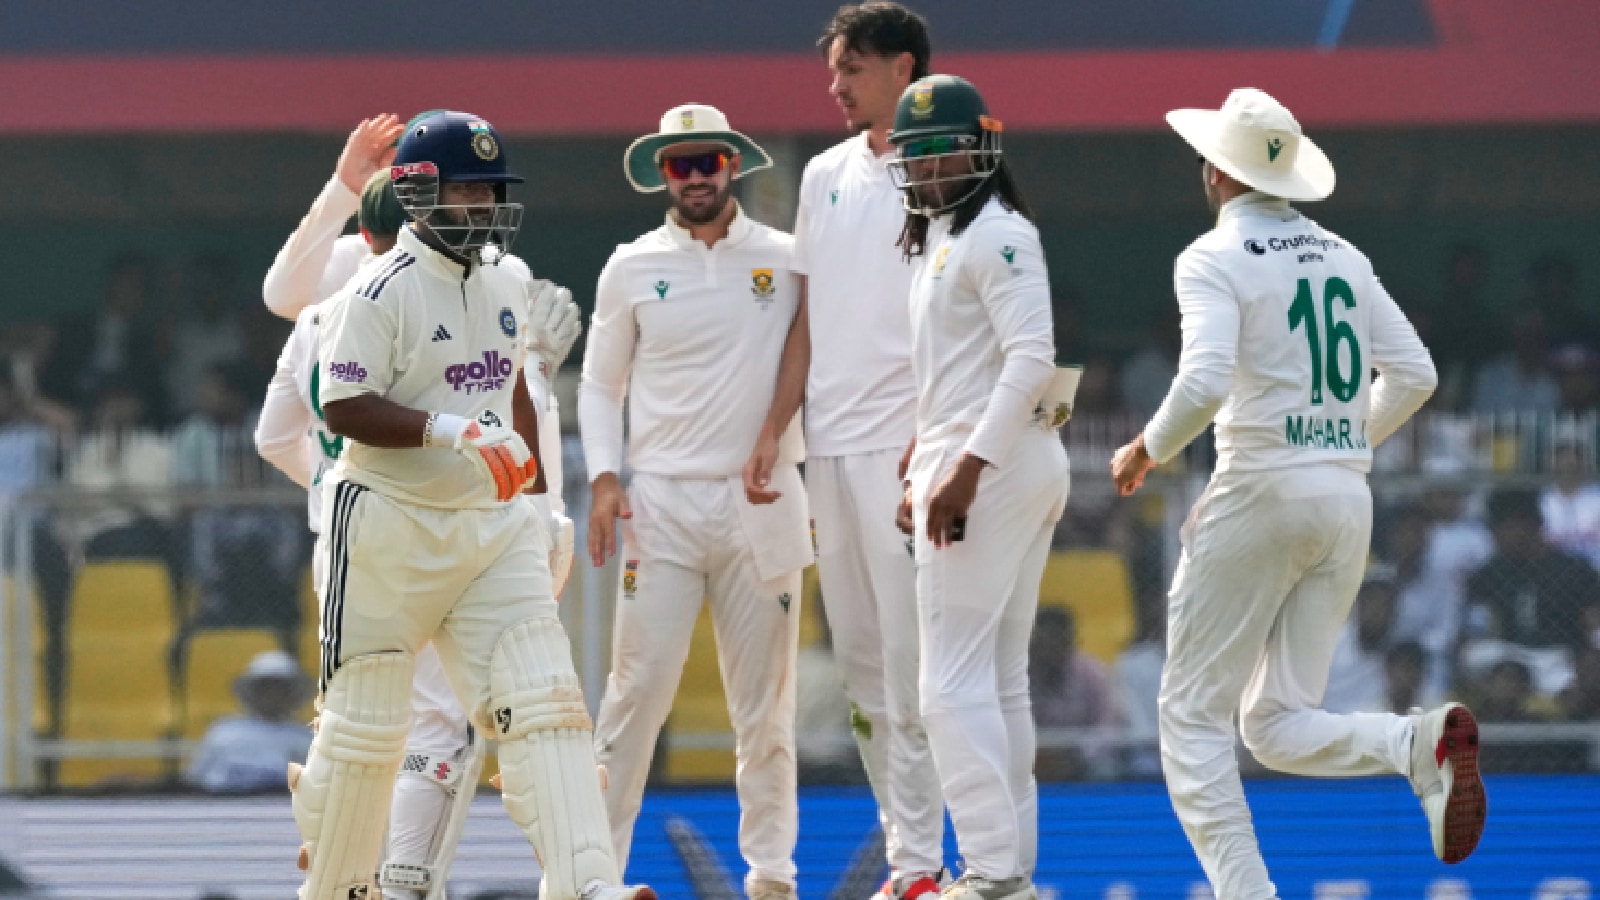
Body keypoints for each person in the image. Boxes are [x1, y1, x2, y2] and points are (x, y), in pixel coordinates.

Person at [1109, 88, 1478, 898]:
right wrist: (1337, 443)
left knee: (1192, 720)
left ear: (1215, 172)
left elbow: (1203, 382)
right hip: (1344, 499)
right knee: (1275, 725)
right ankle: (1412, 744)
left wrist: (1146, 449)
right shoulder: (1344, 254)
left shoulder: (1211, 256)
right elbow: (1416, 374)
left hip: (1259, 491)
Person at [299, 110, 646, 900]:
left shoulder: (505, 279)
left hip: (490, 527)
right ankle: (342, 885)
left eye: (492, 190)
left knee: (546, 703)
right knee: (367, 729)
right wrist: (449, 431)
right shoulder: (376, 292)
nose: (485, 204)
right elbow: (343, 406)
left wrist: (536, 499)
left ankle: (589, 884)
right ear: (419, 193)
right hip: (387, 523)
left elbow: (510, 385)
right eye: (468, 189)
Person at [581, 102, 810, 900]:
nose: (696, 178)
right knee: (634, 696)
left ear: (732, 164)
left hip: (764, 499)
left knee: (767, 706)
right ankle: (593, 875)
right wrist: (604, 479)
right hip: (662, 504)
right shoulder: (630, 266)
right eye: (680, 166)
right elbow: (600, 384)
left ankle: (771, 878)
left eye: (707, 161)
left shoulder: (786, 257)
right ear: (662, 176)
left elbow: (816, 355)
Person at [743, 6, 948, 897]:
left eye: (852, 69)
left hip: (906, 452)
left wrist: (937, 428)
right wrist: (773, 429)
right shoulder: (824, 173)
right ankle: (910, 862)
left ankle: (932, 861)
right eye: (834, 70)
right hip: (828, 448)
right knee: (863, 669)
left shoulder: (944, 169)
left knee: (911, 666)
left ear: (903, 68)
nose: (835, 86)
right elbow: (807, 319)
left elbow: (964, 314)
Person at [887, 74, 1070, 900]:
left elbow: (1032, 359)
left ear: (982, 148)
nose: (928, 165)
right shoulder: (945, 237)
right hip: (993, 462)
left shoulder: (998, 234)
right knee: (997, 681)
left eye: (943, 148)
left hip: (992, 473)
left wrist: (963, 469)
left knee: (946, 687)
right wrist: (923, 455)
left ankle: (992, 874)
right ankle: (1011, 870)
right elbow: (962, 373)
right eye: (915, 151)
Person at [186, 651, 315, 793]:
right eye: (265, 687)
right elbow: (196, 781)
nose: (272, 694)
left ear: (292, 694)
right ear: (252, 691)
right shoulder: (222, 733)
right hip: (223, 803)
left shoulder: (304, 739)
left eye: (280, 688)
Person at [1028, 609, 1123, 780]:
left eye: (1056, 640)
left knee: (1106, 770)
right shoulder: (1015, 678)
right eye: (1043, 641)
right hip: (1029, 762)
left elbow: (1108, 725)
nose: (1050, 648)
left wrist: (1078, 754)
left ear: (1072, 641)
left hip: (1082, 763)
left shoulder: (1093, 673)